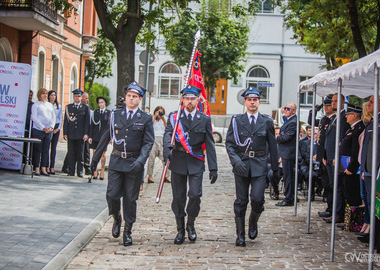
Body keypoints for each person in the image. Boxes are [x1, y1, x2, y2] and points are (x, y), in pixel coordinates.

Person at [90, 81, 154, 246]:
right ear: (125, 98)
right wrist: (95, 159)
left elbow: (148, 142)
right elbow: (106, 137)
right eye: (128, 96)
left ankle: (127, 231)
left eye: (134, 97)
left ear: (140, 99)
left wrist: (141, 161)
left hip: (134, 163)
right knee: (112, 195)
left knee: (130, 200)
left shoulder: (145, 118)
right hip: (117, 161)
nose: (131, 99)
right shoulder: (115, 115)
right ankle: (117, 218)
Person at [163, 85, 218, 245]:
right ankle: (180, 229)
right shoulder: (174, 117)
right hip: (178, 159)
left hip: (196, 161)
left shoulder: (205, 119)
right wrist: (167, 148)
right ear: (182, 100)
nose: (189, 101)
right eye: (187, 98)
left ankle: (191, 224)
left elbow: (210, 143)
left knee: (195, 195)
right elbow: (167, 134)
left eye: (193, 98)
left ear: (198, 99)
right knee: (178, 198)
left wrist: (213, 167)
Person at [225, 86, 279, 247]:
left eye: (255, 100)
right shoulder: (236, 121)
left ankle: (253, 221)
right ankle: (240, 235)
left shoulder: (267, 121)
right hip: (241, 164)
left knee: (257, 199)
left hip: (259, 164)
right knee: (241, 201)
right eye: (249, 100)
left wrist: (275, 169)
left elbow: (273, 145)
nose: (252, 102)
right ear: (245, 102)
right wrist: (236, 161)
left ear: (259, 102)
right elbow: (229, 144)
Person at [323, 93, 350, 223]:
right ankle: (334, 211)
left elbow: (341, 139)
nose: (332, 104)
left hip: (337, 157)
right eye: (332, 101)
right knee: (333, 185)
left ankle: (338, 213)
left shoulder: (343, 117)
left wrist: (336, 156)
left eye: (335, 101)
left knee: (338, 186)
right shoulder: (334, 117)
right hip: (329, 156)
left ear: (342, 102)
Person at [358, 95, 380, 243]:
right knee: (368, 201)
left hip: (374, 169)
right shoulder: (373, 122)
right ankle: (370, 229)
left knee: (373, 202)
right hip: (368, 168)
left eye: (372, 102)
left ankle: (373, 231)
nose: (368, 105)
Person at [339, 104, 364, 207]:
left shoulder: (358, 129)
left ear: (354, 116)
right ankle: (348, 219)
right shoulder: (351, 129)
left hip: (352, 168)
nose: (346, 117)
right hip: (345, 165)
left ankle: (353, 220)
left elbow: (356, 151)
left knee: (352, 194)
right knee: (347, 192)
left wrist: (351, 168)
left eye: (348, 114)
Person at [63, 89, 90, 178]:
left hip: (81, 134)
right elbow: (66, 121)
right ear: (73, 97)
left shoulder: (85, 107)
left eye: (78, 96)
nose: (77, 98)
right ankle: (71, 171)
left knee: (80, 153)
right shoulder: (69, 107)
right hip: (71, 133)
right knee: (71, 153)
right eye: (75, 96)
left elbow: (87, 122)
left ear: (81, 97)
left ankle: (80, 171)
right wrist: (65, 133)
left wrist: (86, 133)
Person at [276, 102, 297, 207]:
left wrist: (277, 138)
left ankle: (289, 198)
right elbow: (284, 120)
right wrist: (282, 111)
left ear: (293, 110)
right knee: (287, 176)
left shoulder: (293, 122)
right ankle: (289, 196)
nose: (285, 110)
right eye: (285, 108)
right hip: (285, 153)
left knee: (288, 177)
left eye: (287, 109)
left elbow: (287, 137)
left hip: (289, 153)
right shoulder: (289, 120)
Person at [31, 88, 56, 176]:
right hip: (38, 130)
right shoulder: (36, 105)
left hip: (48, 131)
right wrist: (43, 127)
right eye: (43, 94)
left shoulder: (50, 105)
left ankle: (44, 168)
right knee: (38, 149)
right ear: (39, 95)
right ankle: (37, 168)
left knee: (46, 150)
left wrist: (51, 127)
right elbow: (34, 118)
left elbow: (53, 118)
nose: (45, 95)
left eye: (46, 94)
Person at [146, 106, 170, 184]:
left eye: (161, 112)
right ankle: (150, 176)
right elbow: (149, 126)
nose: (159, 113)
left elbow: (167, 127)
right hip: (153, 139)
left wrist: (163, 118)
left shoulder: (165, 118)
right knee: (151, 159)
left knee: (165, 158)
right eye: (158, 111)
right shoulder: (152, 118)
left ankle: (166, 176)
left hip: (162, 139)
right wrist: (155, 117)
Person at [89, 97, 110, 180]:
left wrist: (109, 138)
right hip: (95, 136)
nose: (101, 104)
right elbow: (91, 125)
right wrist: (90, 136)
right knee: (94, 153)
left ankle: (102, 171)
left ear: (105, 103)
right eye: (99, 103)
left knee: (103, 154)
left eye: (102, 102)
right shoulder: (95, 112)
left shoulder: (108, 113)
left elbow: (109, 126)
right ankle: (94, 171)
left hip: (104, 137)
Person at [47, 90, 63, 175]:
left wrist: (58, 129)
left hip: (56, 128)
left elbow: (60, 119)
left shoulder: (58, 106)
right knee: (46, 148)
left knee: (53, 148)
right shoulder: (46, 105)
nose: (53, 97)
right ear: (49, 96)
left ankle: (52, 166)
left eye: (55, 95)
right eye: (52, 95)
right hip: (48, 127)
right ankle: (46, 166)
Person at [82, 92, 92, 175]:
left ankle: (87, 167)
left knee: (86, 151)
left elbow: (89, 121)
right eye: (86, 98)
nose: (87, 100)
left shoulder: (87, 107)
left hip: (86, 132)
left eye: (88, 98)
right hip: (79, 132)